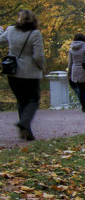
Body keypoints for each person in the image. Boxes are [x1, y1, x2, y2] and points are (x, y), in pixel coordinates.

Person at [1, 9, 46, 141]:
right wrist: (41, 67)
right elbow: (38, 56)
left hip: (13, 73)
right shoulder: (35, 33)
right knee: (33, 99)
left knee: (21, 100)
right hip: (30, 73)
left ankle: (26, 132)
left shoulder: (10, 30)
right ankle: (24, 123)